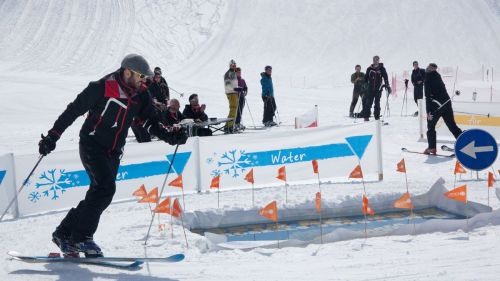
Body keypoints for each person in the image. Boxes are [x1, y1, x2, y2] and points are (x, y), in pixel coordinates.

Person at [38, 54, 187, 258]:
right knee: (105, 189)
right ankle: (81, 238)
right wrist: (53, 136)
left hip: (114, 150)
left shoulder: (140, 94)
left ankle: (64, 233)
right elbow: (73, 111)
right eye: (141, 76)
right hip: (92, 145)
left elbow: (151, 122)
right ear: (127, 72)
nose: (145, 81)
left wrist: (171, 135)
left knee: (99, 193)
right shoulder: (101, 87)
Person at [424, 63, 462, 155]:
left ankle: (432, 148)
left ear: (429, 68)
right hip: (447, 103)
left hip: (436, 106)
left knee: (431, 126)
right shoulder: (438, 76)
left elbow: (427, 96)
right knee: (452, 125)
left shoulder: (428, 77)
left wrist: (428, 112)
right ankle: (464, 141)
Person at [363, 56, 390, 121]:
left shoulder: (382, 68)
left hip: (378, 89)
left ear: (378, 60)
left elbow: (385, 77)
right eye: (374, 60)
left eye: (376, 60)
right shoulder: (369, 69)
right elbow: (366, 78)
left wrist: (387, 85)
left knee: (377, 103)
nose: (375, 61)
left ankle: (377, 116)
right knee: (369, 103)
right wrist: (365, 85)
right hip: (370, 89)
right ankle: (366, 116)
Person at [223, 59, 239, 133]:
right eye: (233, 65)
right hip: (231, 93)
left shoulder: (233, 73)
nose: (234, 66)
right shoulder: (228, 73)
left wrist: (238, 88)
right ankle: (229, 126)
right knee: (233, 109)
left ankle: (228, 125)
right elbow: (227, 85)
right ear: (230, 65)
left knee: (233, 109)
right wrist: (235, 89)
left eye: (235, 65)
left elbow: (234, 84)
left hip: (234, 92)